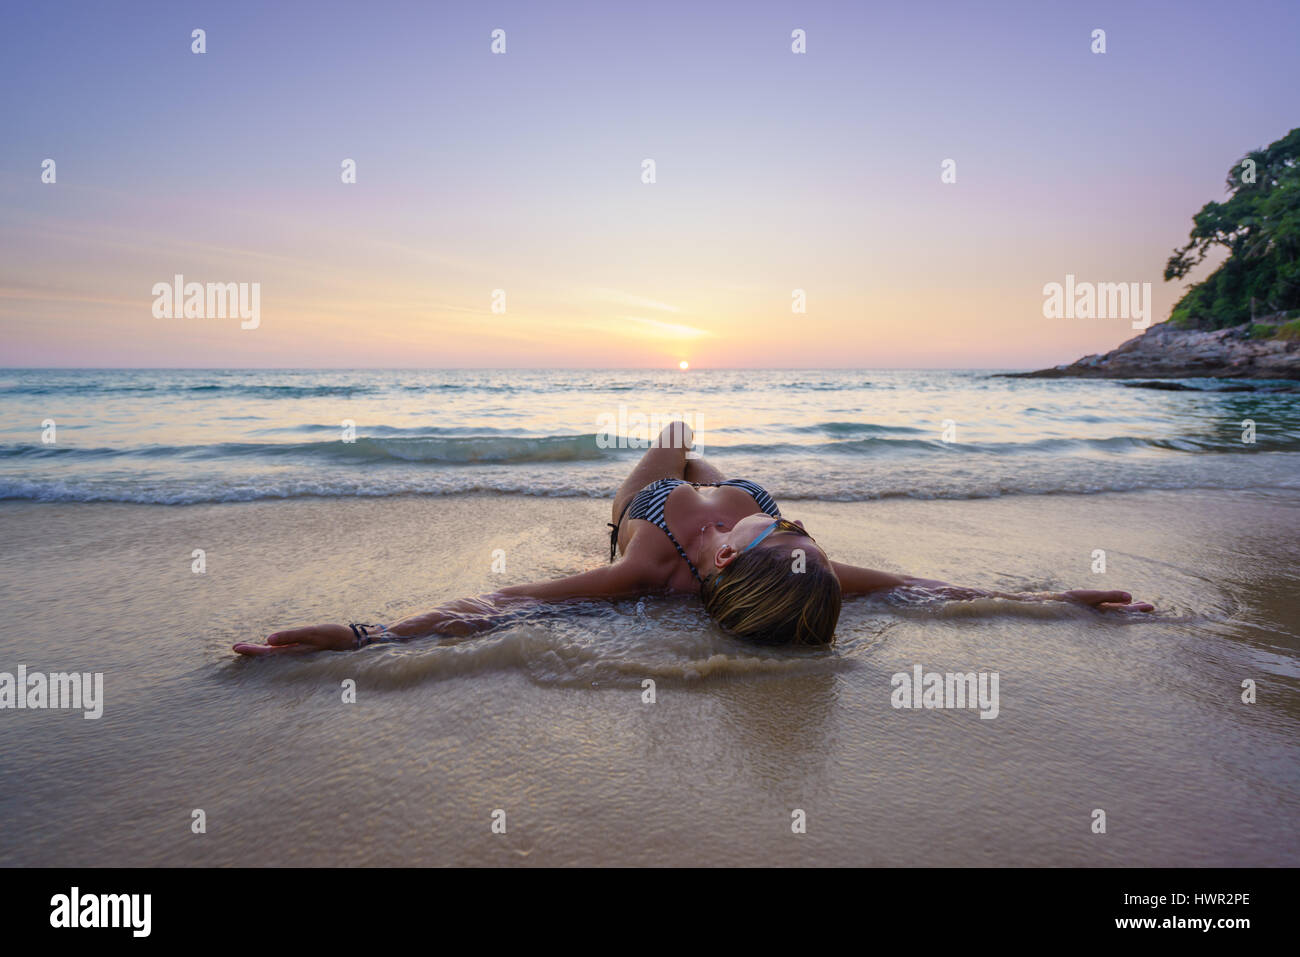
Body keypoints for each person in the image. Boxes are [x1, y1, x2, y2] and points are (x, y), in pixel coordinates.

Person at [233, 421, 1153, 656]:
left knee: (674, 437)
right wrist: (1059, 600)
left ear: (720, 559)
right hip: (722, 499)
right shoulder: (800, 564)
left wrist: (371, 635)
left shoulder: (647, 563)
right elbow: (936, 589)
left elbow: (499, 606)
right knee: (715, 464)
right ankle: (711, 471)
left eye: (782, 536)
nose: (803, 536)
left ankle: (688, 467)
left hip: (655, 504)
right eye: (807, 539)